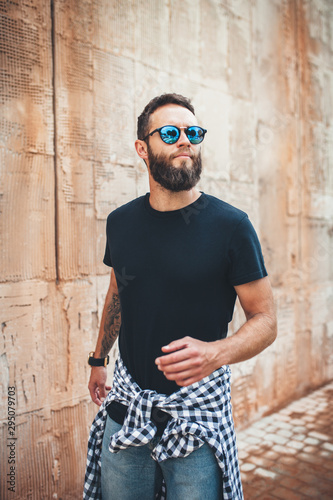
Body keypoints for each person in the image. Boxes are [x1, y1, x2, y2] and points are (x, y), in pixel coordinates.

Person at [83, 93, 277, 500]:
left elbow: (265, 319)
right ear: (142, 148)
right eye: (170, 133)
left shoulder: (231, 226)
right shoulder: (121, 223)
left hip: (197, 418)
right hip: (127, 409)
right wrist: (99, 358)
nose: (185, 140)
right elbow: (118, 292)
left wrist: (217, 353)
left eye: (193, 132)